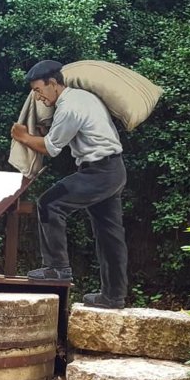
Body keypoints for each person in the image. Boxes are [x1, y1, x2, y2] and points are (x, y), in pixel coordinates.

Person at [10, 59, 128, 309]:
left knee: (50, 203)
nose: (38, 97)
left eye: (39, 90)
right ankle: (113, 296)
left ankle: (57, 268)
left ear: (53, 83)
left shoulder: (69, 107)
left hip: (99, 172)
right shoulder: (81, 98)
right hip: (113, 169)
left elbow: (50, 148)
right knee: (110, 235)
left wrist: (22, 136)